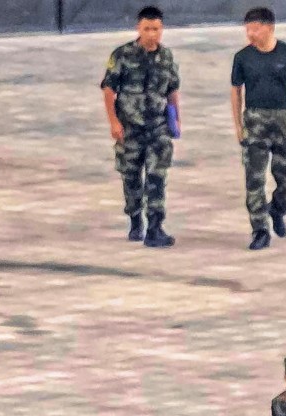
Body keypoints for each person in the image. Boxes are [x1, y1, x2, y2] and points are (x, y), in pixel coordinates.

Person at [230, 7, 286, 250]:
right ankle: (259, 230)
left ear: (269, 27)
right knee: (254, 179)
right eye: (248, 29)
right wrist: (237, 124)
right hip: (255, 122)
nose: (251, 34)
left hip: (284, 122)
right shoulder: (242, 57)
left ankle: (277, 210)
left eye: (255, 29)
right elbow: (236, 90)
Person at [101, 5, 178, 248]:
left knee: (157, 177)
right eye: (147, 29)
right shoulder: (122, 55)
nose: (152, 34)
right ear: (138, 28)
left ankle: (155, 227)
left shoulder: (167, 57)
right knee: (131, 176)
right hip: (130, 128)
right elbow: (108, 88)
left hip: (157, 128)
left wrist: (175, 119)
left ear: (161, 28)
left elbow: (172, 89)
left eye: (156, 29)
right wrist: (113, 121)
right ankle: (135, 220)